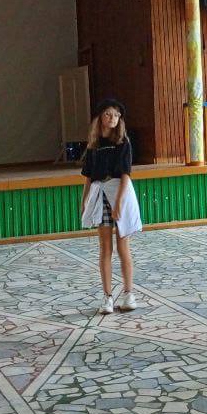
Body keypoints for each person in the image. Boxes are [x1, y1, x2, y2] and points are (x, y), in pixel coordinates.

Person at [80, 98, 141, 314]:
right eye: (108, 114)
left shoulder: (123, 143)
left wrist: (119, 204)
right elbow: (88, 177)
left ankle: (128, 293)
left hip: (119, 194)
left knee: (123, 246)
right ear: (100, 117)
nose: (112, 118)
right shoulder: (94, 145)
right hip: (101, 194)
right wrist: (84, 200)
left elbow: (125, 175)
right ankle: (107, 296)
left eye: (116, 115)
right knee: (105, 247)